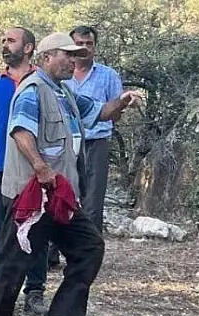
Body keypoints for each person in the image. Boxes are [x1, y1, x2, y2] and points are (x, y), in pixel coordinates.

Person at [0, 33, 144, 316]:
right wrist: (40, 167)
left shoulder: (64, 93)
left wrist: (122, 101)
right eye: (68, 54)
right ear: (48, 57)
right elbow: (21, 131)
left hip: (59, 197)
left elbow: (102, 113)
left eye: (77, 54)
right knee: (12, 264)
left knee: (89, 246)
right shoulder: (33, 89)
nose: (74, 60)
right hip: (33, 196)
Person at [0, 27, 50, 316]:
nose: (5, 45)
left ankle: (35, 292)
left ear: (28, 47)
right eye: (3, 40)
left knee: (37, 229)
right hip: (1, 168)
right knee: (1, 231)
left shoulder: (42, 80)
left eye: (11, 41)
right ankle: (3, 288)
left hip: (34, 167)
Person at [66, 25, 124, 231]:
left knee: (93, 201)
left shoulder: (108, 76)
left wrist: (121, 104)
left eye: (88, 44)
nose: (84, 48)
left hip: (96, 143)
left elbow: (116, 114)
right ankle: (51, 257)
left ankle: (89, 257)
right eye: (79, 44)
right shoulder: (60, 75)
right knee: (61, 198)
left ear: (95, 47)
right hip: (64, 144)